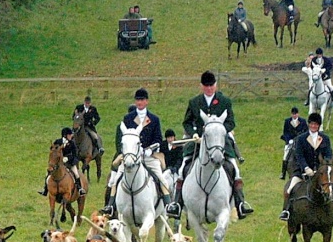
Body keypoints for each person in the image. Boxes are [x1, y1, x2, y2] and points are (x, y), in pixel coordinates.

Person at [169, 71, 253, 220]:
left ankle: (240, 204)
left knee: (235, 168)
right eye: (206, 86)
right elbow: (187, 122)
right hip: (197, 142)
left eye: (212, 85)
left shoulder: (224, 101)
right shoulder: (194, 102)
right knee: (183, 168)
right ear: (201, 86)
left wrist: (219, 131)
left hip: (220, 142)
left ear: (216, 85)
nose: (209, 88)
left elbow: (231, 122)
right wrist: (193, 134)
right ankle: (177, 204)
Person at [103, 88, 171, 217]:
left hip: (148, 155)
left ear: (147, 101)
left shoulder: (154, 119)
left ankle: (169, 205)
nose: (140, 102)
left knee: (161, 178)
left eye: (142, 100)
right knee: (116, 179)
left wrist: (150, 150)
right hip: (131, 156)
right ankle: (110, 206)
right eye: (138, 100)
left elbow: (158, 138)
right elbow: (124, 138)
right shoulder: (128, 118)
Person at [279, 112, 333, 221]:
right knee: (289, 188)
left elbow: (328, 154)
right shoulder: (301, 139)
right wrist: (306, 168)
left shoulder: (325, 139)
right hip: (303, 171)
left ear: (319, 126)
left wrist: (324, 166)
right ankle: (286, 211)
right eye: (312, 124)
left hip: (322, 172)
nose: (313, 126)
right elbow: (299, 155)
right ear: (309, 124)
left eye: (316, 124)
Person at [39, 127, 85, 197]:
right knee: (47, 174)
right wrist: (59, 148)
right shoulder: (58, 141)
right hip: (58, 163)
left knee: (76, 174)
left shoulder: (72, 143)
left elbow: (75, 154)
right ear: (65, 135)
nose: (71, 136)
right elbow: (52, 149)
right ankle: (45, 190)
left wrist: (67, 158)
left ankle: (80, 189)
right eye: (70, 135)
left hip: (69, 163)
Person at [280, 107, 308, 180]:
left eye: (295, 114)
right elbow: (285, 132)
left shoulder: (303, 121)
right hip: (290, 141)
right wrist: (289, 140)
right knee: (285, 155)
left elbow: (306, 132)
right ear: (291, 114)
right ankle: (283, 172)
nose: (294, 115)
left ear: (298, 114)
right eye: (293, 114)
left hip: (300, 141)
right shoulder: (287, 121)